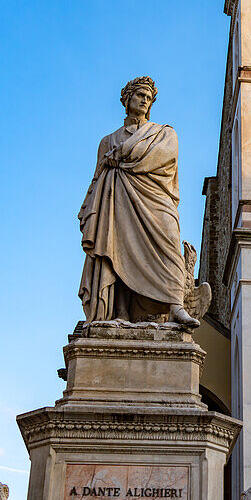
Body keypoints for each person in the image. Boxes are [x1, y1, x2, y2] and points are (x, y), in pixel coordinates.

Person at [78, 76, 199, 328]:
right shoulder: (107, 140)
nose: (144, 100)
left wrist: (122, 155)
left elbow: (165, 157)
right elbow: (98, 175)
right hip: (117, 198)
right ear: (127, 100)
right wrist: (90, 209)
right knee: (117, 247)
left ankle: (176, 305)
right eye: (139, 95)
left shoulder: (163, 133)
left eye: (148, 97)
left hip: (156, 198)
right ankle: (120, 312)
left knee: (170, 245)